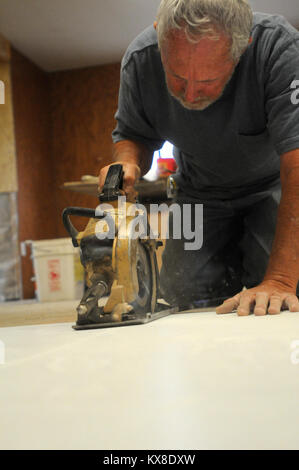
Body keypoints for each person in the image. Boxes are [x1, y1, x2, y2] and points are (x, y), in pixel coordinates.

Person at [99, 0, 299, 316]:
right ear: (159, 36)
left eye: (206, 81)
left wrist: (281, 279)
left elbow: (297, 162)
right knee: (180, 298)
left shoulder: (277, 47)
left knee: (286, 298)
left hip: (276, 186)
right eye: (177, 76)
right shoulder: (140, 59)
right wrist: (128, 162)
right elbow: (133, 132)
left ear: (242, 47)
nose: (190, 95)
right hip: (198, 195)